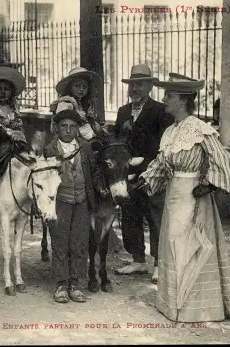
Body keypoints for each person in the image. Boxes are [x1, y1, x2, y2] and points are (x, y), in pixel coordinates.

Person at [132, 73, 230, 322]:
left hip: (193, 196)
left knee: (189, 244)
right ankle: (173, 303)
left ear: (182, 100)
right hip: (174, 194)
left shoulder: (199, 128)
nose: (164, 100)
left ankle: (194, 307)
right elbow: (162, 163)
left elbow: (222, 158)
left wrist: (209, 184)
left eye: (169, 96)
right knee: (171, 242)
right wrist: (145, 180)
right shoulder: (171, 131)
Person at [113, 64, 174, 283]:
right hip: (128, 174)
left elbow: (165, 144)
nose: (135, 89)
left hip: (153, 173)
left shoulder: (161, 111)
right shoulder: (122, 112)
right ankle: (138, 260)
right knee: (130, 214)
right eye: (132, 85)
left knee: (155, 215)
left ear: (149, 86)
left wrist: (150, 167)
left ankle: (159, 262)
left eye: (140, 84)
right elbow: (118, 143)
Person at [43, 109, 107, 303]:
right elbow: (44, 179)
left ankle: (75, 283)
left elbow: (94, 172)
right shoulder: (50, 150)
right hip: (60, 201)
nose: (68, 130)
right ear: (56, 128)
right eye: (64, 126)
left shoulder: (85, 148)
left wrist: (100, 188)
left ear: (78, 129)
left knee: (79, 242)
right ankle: (61, 284)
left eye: (72, 126)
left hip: (82, 201)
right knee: (60, 242)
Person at [53, 67, 108, 140]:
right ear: (70, 87)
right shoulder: (65, 104)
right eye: (77, 86)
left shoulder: (82, 105)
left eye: (84, 86)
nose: (81, 89)